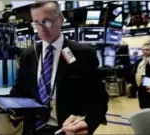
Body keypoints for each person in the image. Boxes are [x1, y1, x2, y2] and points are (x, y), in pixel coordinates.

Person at [10, 1, 108, 135]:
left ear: (61, 19)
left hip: (68, 129)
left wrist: (89, 122)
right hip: (33, 128)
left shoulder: (83, 53)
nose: (41, 28)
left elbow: (99, 99)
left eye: (47, 21)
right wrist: (10, 104)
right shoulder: (28, 54)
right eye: (36, 23)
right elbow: (21, 88)